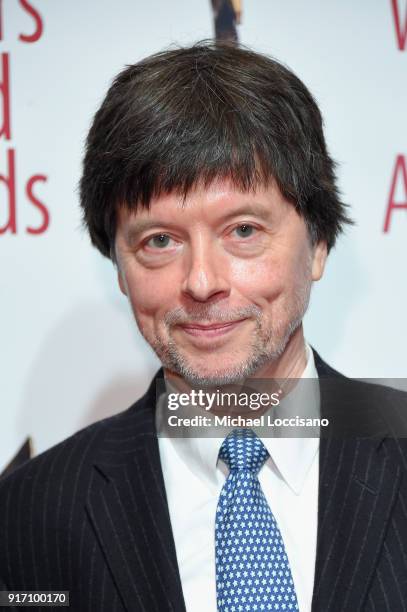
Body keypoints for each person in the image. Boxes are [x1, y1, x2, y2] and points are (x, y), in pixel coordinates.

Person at [0, 41, 406, 612]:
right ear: (118, 266)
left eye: (243, 231)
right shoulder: (28, 517)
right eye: (159, 241)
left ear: (317, 244)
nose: (201, 281)